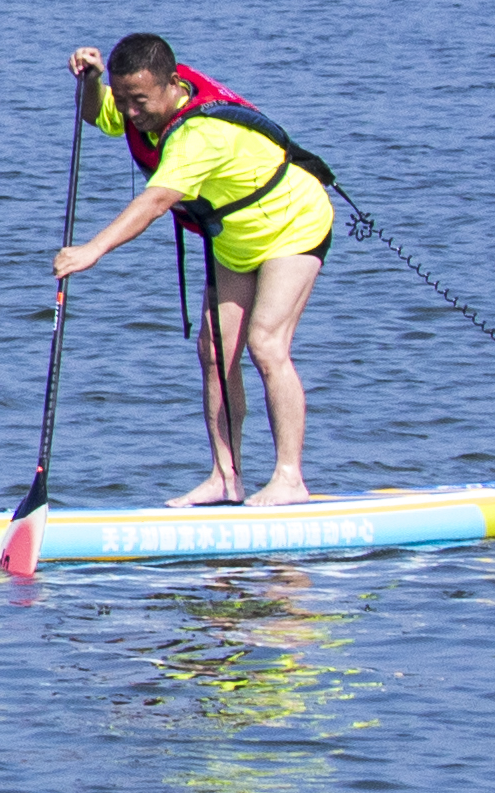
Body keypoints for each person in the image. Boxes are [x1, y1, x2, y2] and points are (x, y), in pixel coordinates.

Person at [55, 34, 338, 505]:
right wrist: (94, 81)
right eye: (123, 100)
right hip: (235, 239)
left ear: (172, 84)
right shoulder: (140, 105)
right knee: (215, 352)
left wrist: (92, 250)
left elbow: (156, 201)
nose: (129, 112)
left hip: (293, 225)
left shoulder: (197, 135)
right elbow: (95, 112)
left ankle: (290, 477)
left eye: (139, 101)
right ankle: (226, 477)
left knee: (265, 344)